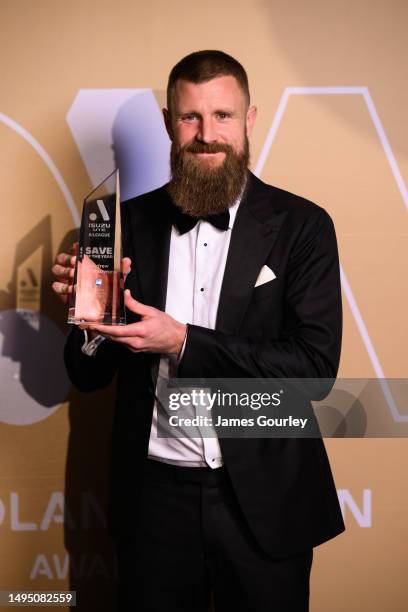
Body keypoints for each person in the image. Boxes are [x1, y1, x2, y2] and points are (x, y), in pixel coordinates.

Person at [53, 50, 345, 612]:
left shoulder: (304, 226)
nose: (206, 136)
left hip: (264, 499)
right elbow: (86, 376)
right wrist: (86, 317)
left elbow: (312, 370)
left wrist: (184, 342)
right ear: (168, 123)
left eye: (222, 117)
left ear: (249, 120)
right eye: (190, 118)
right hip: (155, 502)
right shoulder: (123, 224)